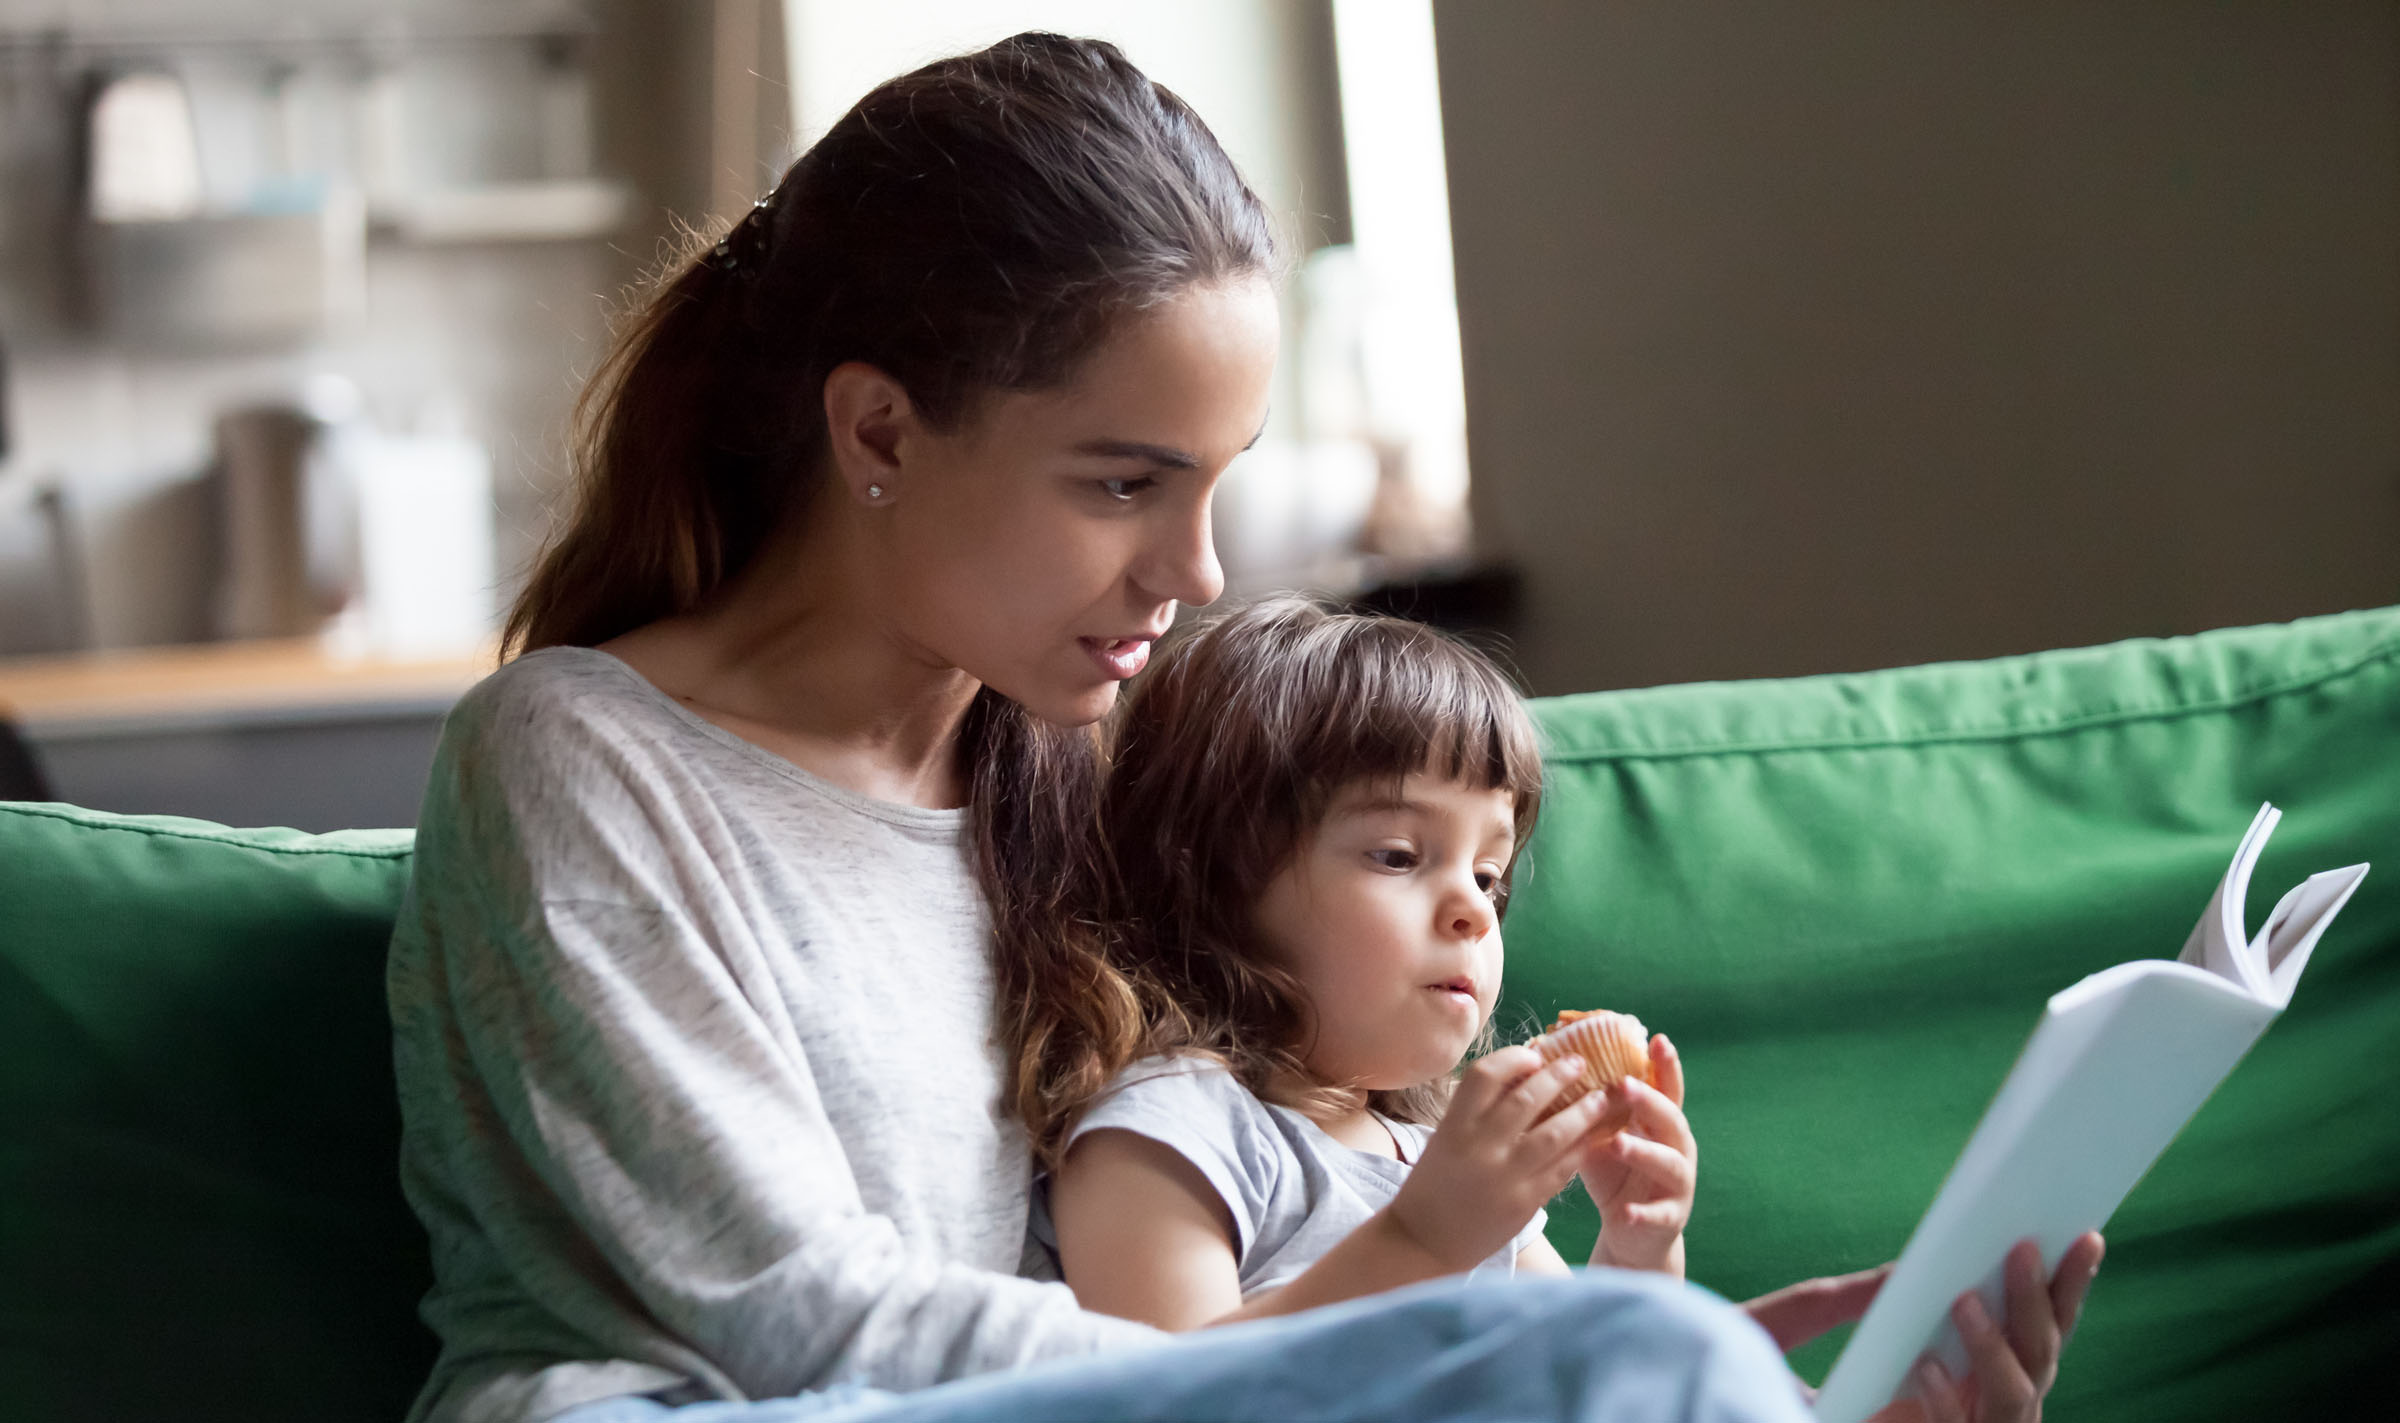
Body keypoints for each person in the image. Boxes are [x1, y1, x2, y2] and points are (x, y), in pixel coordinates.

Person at [385, 30, 2101, 1423]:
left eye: (1214, 486)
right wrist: (1436, 1345)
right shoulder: (581, 760)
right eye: (1123, 483)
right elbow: (792, 1315)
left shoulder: (1077, 776)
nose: (1193, 571)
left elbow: (1284, 1215)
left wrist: (1582, 1346)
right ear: (881, 432)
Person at [1035, 599, 1701, 1333]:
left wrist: (1638, 1253)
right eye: (1397, 856)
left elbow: (1581, 1365)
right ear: (1212, 881)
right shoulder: (1172, 1128)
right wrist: (1423, 1240)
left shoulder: (1439, 1154)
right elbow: (1164, 1384)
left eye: (1488, 876)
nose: (1475, 911)